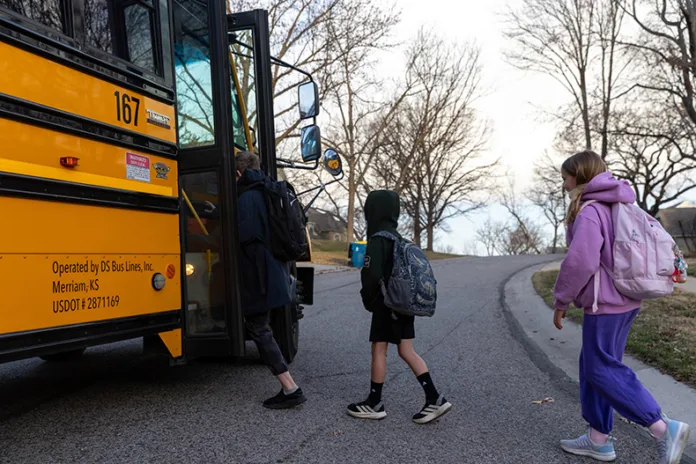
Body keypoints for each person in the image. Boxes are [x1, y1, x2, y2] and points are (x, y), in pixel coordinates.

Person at [553, 150, 690, 463]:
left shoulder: (590, 210)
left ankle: (662, 427)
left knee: (599, 368)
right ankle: (599, 438)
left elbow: (581, 262)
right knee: (596, 365)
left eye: (565, 178)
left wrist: (561, 300)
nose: (563, 185)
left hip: (606, 303)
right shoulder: (620, 201)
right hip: (627, 299)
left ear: (579, 175)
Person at [347, 189, 452, 423]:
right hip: (404, 304)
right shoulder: (401, 240)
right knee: (406, 350)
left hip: (386, 305)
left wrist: (370, 301)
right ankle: (434, 398)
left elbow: (371, 275)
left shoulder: (377, 241)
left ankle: (375, 402)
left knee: (378, 349)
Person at [236, 150, 306, 409]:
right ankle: (290, 386)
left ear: (237, 173)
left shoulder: (246, 197)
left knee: (259, 329)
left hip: (259, 276)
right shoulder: (269, 192)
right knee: (262, 327)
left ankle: (290, 387)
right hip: (276, 271)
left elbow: (246, 238)